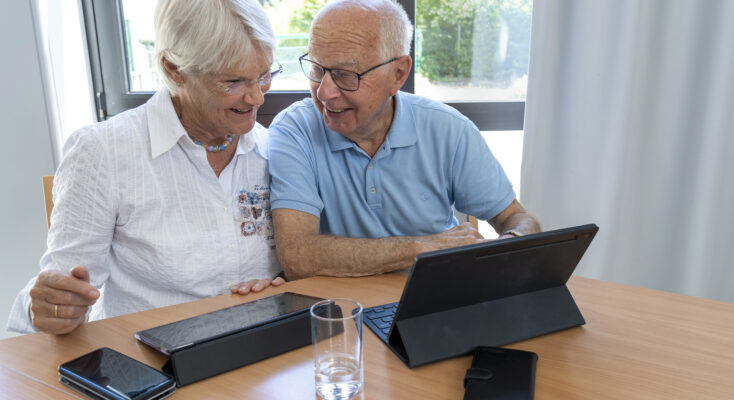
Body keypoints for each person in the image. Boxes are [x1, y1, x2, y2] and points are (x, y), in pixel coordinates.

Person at [8, 0, 285, 335]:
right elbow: (56, 296)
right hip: (147, 362)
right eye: (233, 82)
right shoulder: (104, 152)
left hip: (258, 353)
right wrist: (51, 306)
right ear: (173, 69)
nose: (257, 98)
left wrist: (284, 288)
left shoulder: (275, 149)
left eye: (264, 75)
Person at [267, 0, 541, 280]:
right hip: (342, 310)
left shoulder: (449, 129)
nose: (324, 93)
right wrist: (425, 248)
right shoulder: (294, 129)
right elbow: (297, 255)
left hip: (433, 299)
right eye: (316, 69)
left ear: (398, 74)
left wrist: (511, 244)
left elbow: (517, 218)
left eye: (346, 75)